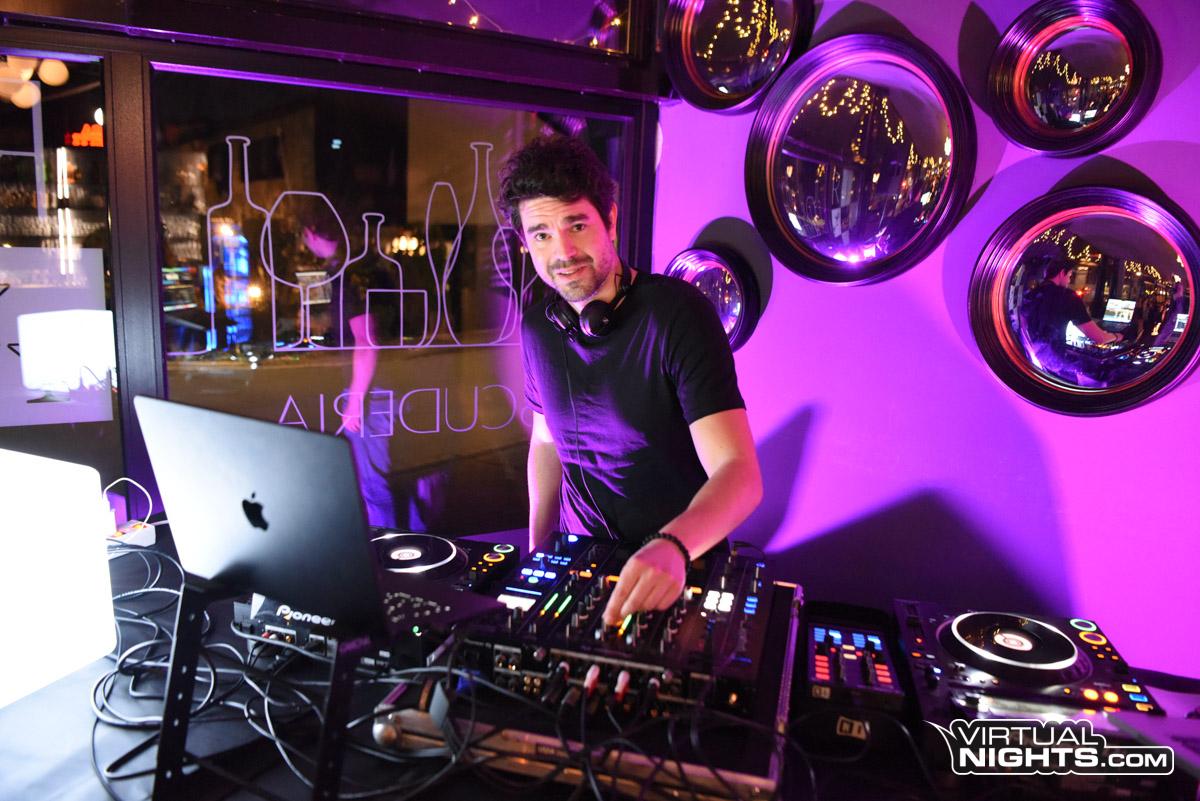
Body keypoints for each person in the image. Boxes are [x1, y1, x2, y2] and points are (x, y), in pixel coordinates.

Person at [499, 135, 762, 627]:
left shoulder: (677, 315)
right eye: (542, 234)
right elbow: (546, 442)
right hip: (579, 567)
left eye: (577, 225)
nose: (563, 251)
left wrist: (673, 546)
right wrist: (538, 554)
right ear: (524, 242)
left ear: (611, 220)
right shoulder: (538, 327)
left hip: (678, 568)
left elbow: (740, 475)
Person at [1020, 259, 1122, 384]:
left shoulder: (1031, 294)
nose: (1069, 280)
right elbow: (1099, 338)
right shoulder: (1068, 296)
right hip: (1056, 366)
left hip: (1033, 363)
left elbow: (1023, 326)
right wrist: (1116, 336)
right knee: (1105, 377)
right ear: (1062, 273)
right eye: (1069, 276)